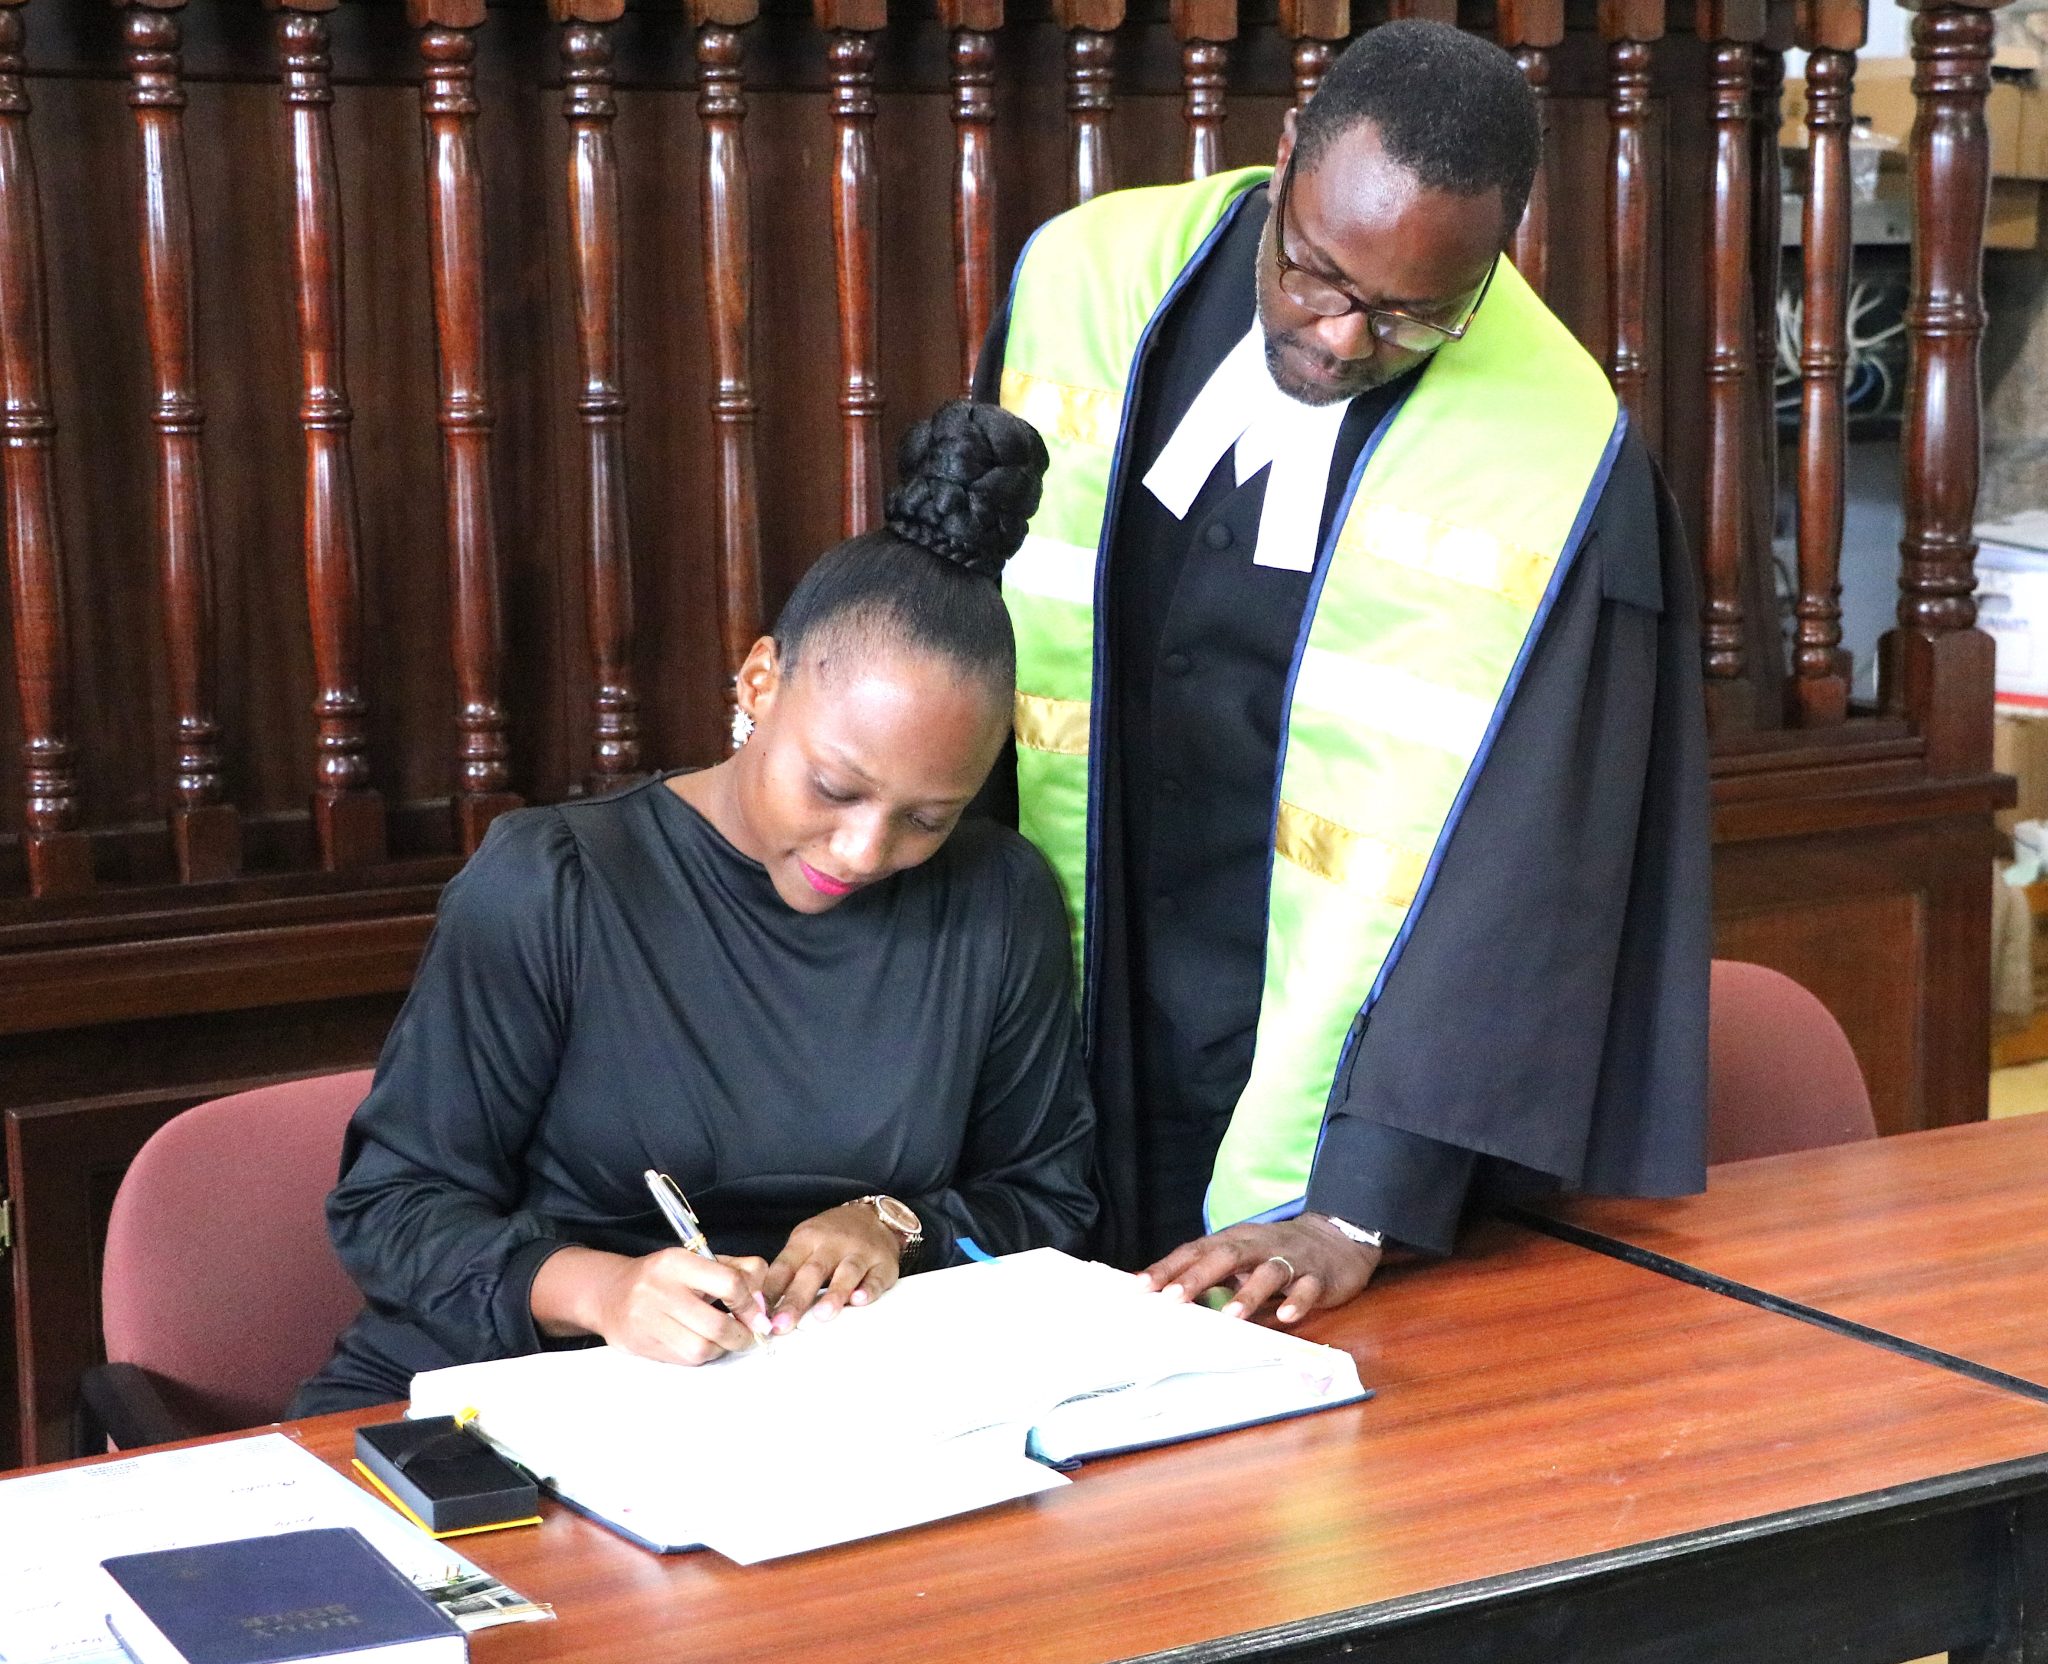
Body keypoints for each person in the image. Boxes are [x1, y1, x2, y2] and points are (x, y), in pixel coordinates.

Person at [972, 20, 1709, 1325]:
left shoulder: (1561, 452)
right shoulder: (1091, 282)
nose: (1342, 339)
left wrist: (1359, 1196)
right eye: (1315, 276)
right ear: (1283, 162)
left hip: (1317, 1076)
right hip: (1072, 999)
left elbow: (1533, 878)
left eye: (1416, 311)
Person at [293, 403, 1096, 1413]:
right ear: (760, 679)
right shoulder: (555, 883)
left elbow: (1047, 1194)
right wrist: (606, 1289)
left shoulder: (995, 899)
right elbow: (390, 1209)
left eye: (928, 818)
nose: (864, 851)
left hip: (820, 1413)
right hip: (514, 1393)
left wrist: (895, 1221)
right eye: (835, 788)